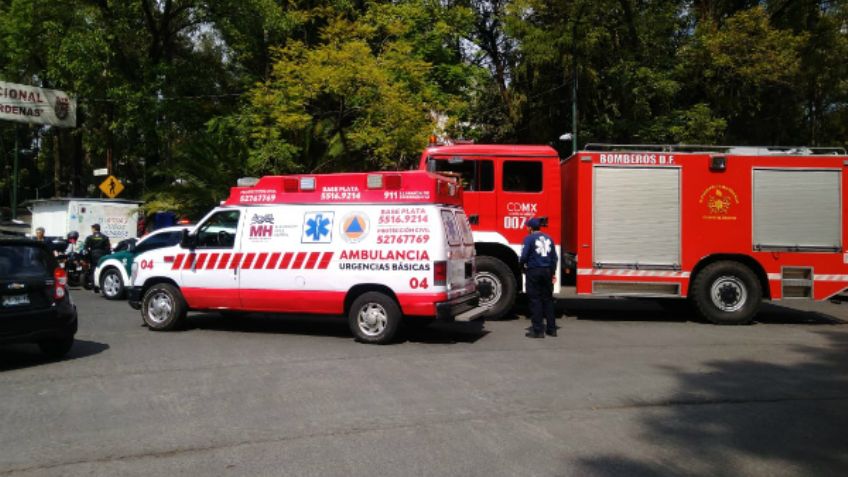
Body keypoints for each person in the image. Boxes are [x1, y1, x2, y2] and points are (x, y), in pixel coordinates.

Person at [519, 217, 558, 338]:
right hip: (547, 271)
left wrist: (522, 267)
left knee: (535, 300)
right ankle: (552, 329)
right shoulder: (549, 238)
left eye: (527, 227)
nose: (526, 228)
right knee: (548, 299)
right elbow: (554, 258)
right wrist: (552, 272)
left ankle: (538, 330)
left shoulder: (529, 239)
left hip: (534, 271)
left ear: (530, 228)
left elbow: (524, 256)